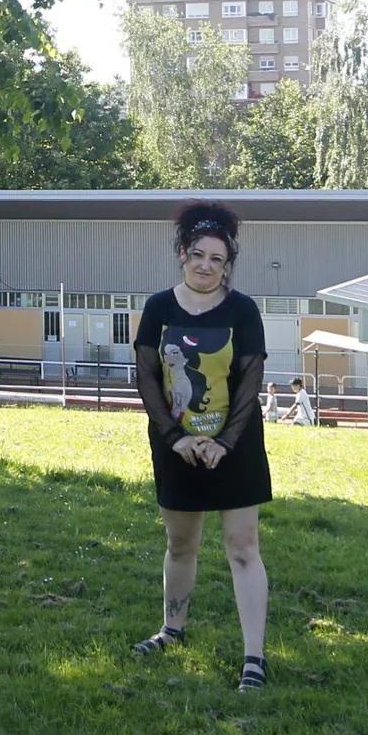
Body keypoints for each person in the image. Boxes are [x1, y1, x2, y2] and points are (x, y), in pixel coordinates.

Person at [132, 201, 273, 690]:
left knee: (243, 548)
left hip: (234, 447)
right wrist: (176, 439)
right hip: (177, 448)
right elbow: (147, 376)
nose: (206, 265)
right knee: (180, 544)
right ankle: (173, 628)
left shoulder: (243, 311)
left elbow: (251, 380)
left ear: (228, 263)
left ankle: (254, 657)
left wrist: (225, 444)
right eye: (198, 254)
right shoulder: (158, 308)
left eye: (217, 258)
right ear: (181, 254)